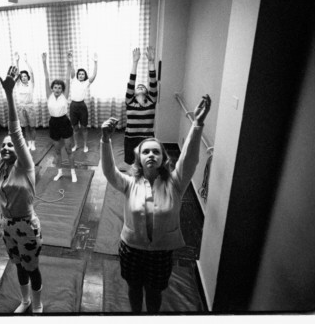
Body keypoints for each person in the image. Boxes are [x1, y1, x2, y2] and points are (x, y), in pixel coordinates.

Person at [100, 94, 211, 313]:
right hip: (131, 249)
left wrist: (197, 124)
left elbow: (189, 159)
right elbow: (109, 172)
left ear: (163, 158)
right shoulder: (129, 183)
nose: (151, 154)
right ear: (138, 158)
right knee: (133, 288)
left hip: (161, 253)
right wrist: (104, 139)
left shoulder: (175, 183)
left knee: (154, 293)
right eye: (146, 151)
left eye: (156, 151)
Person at [0, 65, 44, 313]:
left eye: (10, 145)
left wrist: (9, 95)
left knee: (32, 268)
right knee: (18, 266)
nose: (5, 147)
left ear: (19, 148)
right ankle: (24, 300)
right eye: (2, 145)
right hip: (6, 225)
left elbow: (15, 131)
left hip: (26, 224)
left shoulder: (25, 165)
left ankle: (38, 305)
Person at [42, 51, 76, 183]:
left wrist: (69, 63)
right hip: (53, 123)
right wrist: (44, 63)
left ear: (62, 89)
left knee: (68, 149)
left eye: (59, 88)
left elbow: (67, 79)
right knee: (57, 150)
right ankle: (60, 172)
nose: (57, 89)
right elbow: (46, 78)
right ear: (52, 89)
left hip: (64, 121)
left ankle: (73, 172)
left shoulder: (65, 96)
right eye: (55, 87)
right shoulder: (49, 96)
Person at [124, 47, 158, 165]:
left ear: (147, 91)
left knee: (147, 165)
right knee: (131, 165)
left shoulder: (151, 101)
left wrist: (151, 62)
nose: (139, 86)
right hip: (131, 139)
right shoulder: (129, 101)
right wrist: (135, 62)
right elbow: (131, 82)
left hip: (147, 139)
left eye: (142, 86)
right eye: (138, 86)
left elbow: (153, 82)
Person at [69, 52, 98, 153]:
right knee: (75, 128)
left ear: (85, 75)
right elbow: (72, 71)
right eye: (79, 74)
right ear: (77, 75)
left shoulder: (86, 83)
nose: (81, 75)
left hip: (82, 106)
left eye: (83, 74)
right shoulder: (74, 80)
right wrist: (71, 61)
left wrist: (95, 62)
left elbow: (94, 75)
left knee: (84, 128)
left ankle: (85, 145)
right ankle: (76, 145)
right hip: (73, 106)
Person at [14, 52, 37, 151]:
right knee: (25, 127)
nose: (23, 78)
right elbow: (16, 73)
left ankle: (33, 143)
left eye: (25, 76)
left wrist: (27, 61)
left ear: (28, 77)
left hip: (30, 107)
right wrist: (17, 61)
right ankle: (29, 143)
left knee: (32, 127)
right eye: (22, 76)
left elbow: (32, 72)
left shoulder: (31, 84)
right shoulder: (18, 85)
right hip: (21, 107)